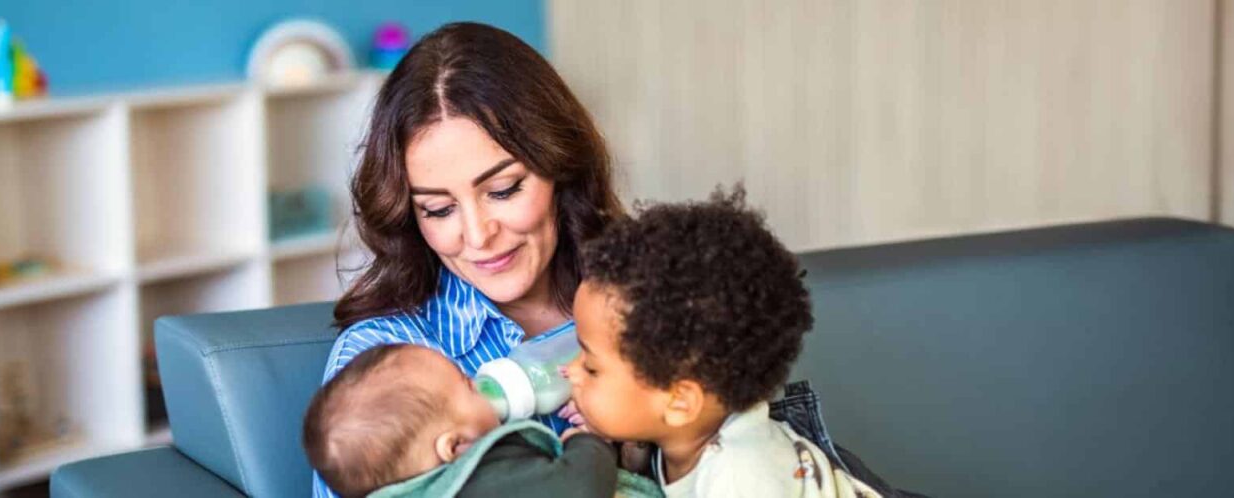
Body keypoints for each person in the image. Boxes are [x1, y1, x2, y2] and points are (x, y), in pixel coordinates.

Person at [315, 20, 624, 498]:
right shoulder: (385, 361)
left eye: (503, 189)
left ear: (561, 167)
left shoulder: (637, 295)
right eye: (438, 209)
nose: (478, 236)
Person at [562, 188, 885, 497]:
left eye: (591, 367)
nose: (570, 370)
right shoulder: (686, 433)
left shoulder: (740, 479)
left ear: (680, 402)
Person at [302, 344, 629, 498]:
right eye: (467, 385)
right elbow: (582, 486)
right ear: (455, 446)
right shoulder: (484, 481)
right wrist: (588, 442)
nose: (477, 382)